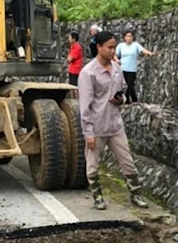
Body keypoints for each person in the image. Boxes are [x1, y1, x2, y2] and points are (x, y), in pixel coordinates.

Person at [79, 31, 148, 210]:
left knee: (127, 161)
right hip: (97, 126)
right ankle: (97, 197)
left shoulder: (117, 68)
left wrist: (122, 100)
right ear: (99, 47)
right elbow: (85, 105)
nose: (112, 51)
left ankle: (136, 194)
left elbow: (124, 90)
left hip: (115, 124)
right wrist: (88, 133)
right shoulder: (88, 73)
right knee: (93, 164)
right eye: (109, 47)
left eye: (114, 47)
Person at [115, 31, 154, 104]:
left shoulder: (135, 45)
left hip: (132, 69)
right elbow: (115, 54)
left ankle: (132, 99)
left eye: (130, 36)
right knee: (125, 85)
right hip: (123, 68)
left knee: (130, 85)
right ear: (124, 37)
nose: (129, 38)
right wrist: (117, 60)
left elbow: (143, 50)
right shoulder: (121, 45)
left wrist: (149, 53)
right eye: (127, 36)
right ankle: (130, 100)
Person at [66, 31, 83, 98]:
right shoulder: (72, 47)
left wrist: (68, 59)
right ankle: (73, 98)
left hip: (76, 70)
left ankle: (76, 99)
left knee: (75, 87)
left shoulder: (77, 47)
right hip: (72, 69)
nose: (69, 39)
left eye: (70, 38)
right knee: (71, 86)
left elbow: (70, 59)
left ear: (74, 39)